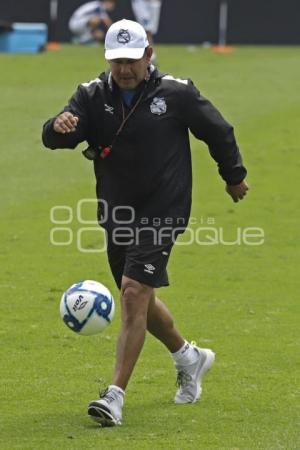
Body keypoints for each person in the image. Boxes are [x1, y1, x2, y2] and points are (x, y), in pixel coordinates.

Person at [42, 19, 248, 427]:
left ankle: (114, 396)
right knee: (137, 295)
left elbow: (219, 131)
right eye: (116, 60)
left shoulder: (176, 93)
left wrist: (234, 176)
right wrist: (57, 125)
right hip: (117, 212)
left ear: (148, 55)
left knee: (134, 290)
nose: (123, 69)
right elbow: (59, 135)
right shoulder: (91, 95)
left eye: (131, 60)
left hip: (164, 209)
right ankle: (190, 358)